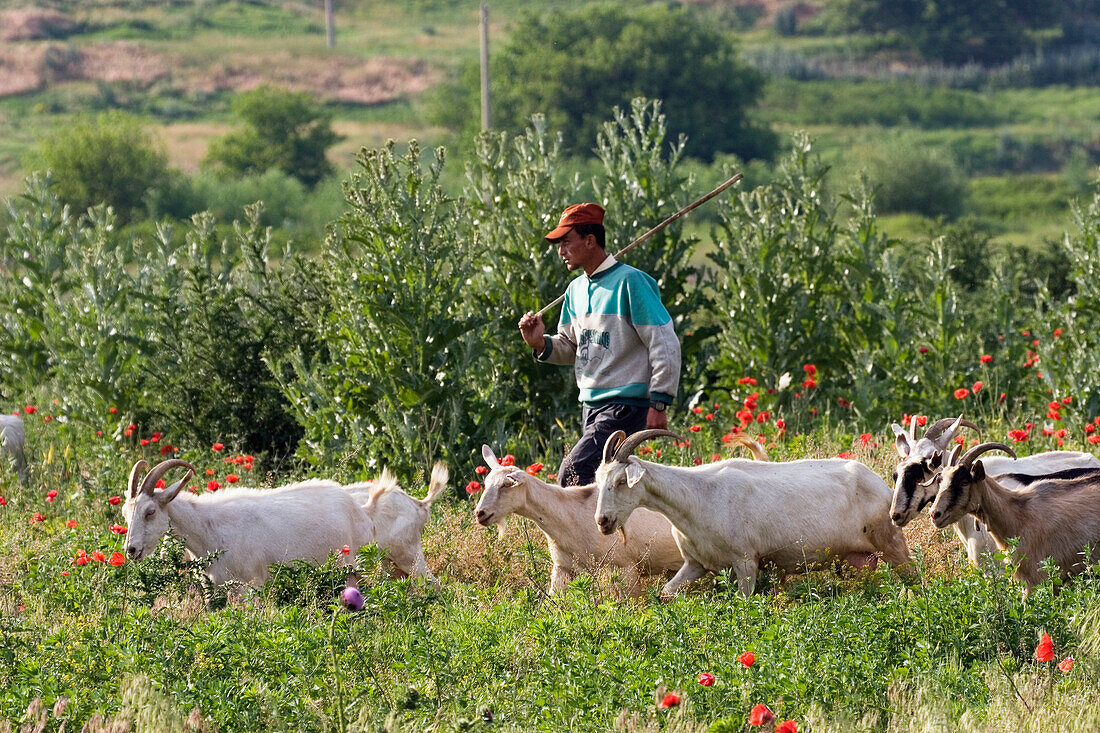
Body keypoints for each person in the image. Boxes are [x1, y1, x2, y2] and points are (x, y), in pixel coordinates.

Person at [518, 202, 681, 486]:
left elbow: (664, 344)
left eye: (567, 242)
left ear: (590, 240)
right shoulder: (575, 291)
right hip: (590, 406)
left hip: (624, 405)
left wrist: (659, 402)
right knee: (601, 488)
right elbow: (572, 348)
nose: (561, 251)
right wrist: (540, 344)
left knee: (572, 475)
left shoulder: (632, 282)